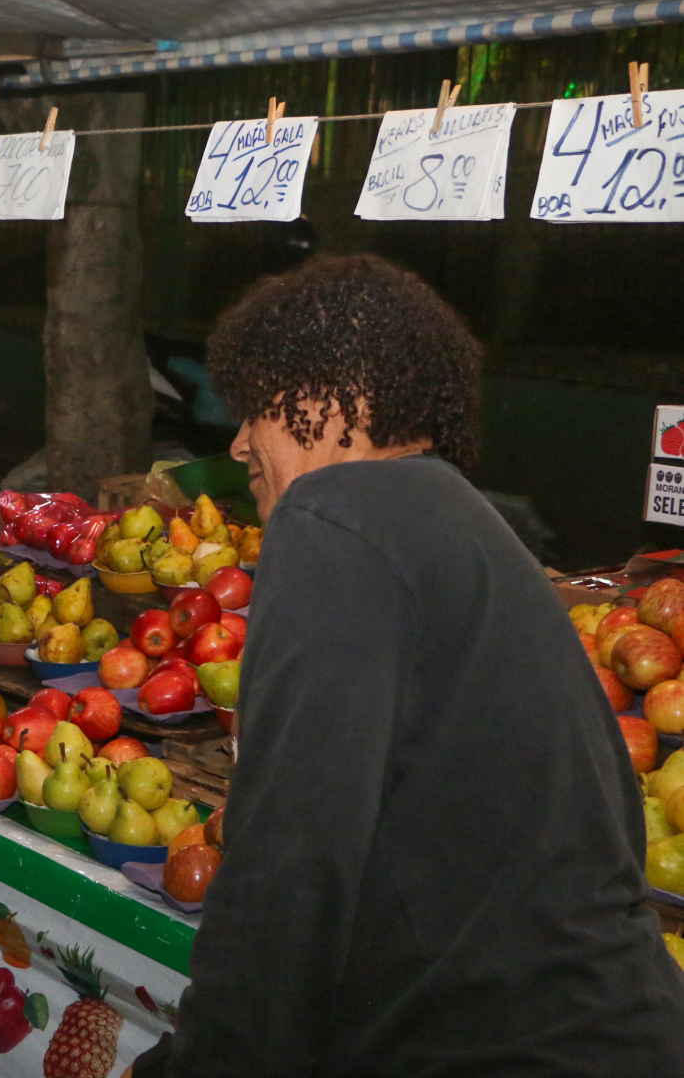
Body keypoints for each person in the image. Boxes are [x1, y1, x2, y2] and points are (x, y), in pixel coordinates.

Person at [132, 254, 684, 1076]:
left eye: (262, 406)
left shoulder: (336, 517)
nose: (242, 440)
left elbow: (289, 866)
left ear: (343, 402)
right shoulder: (466, 526)